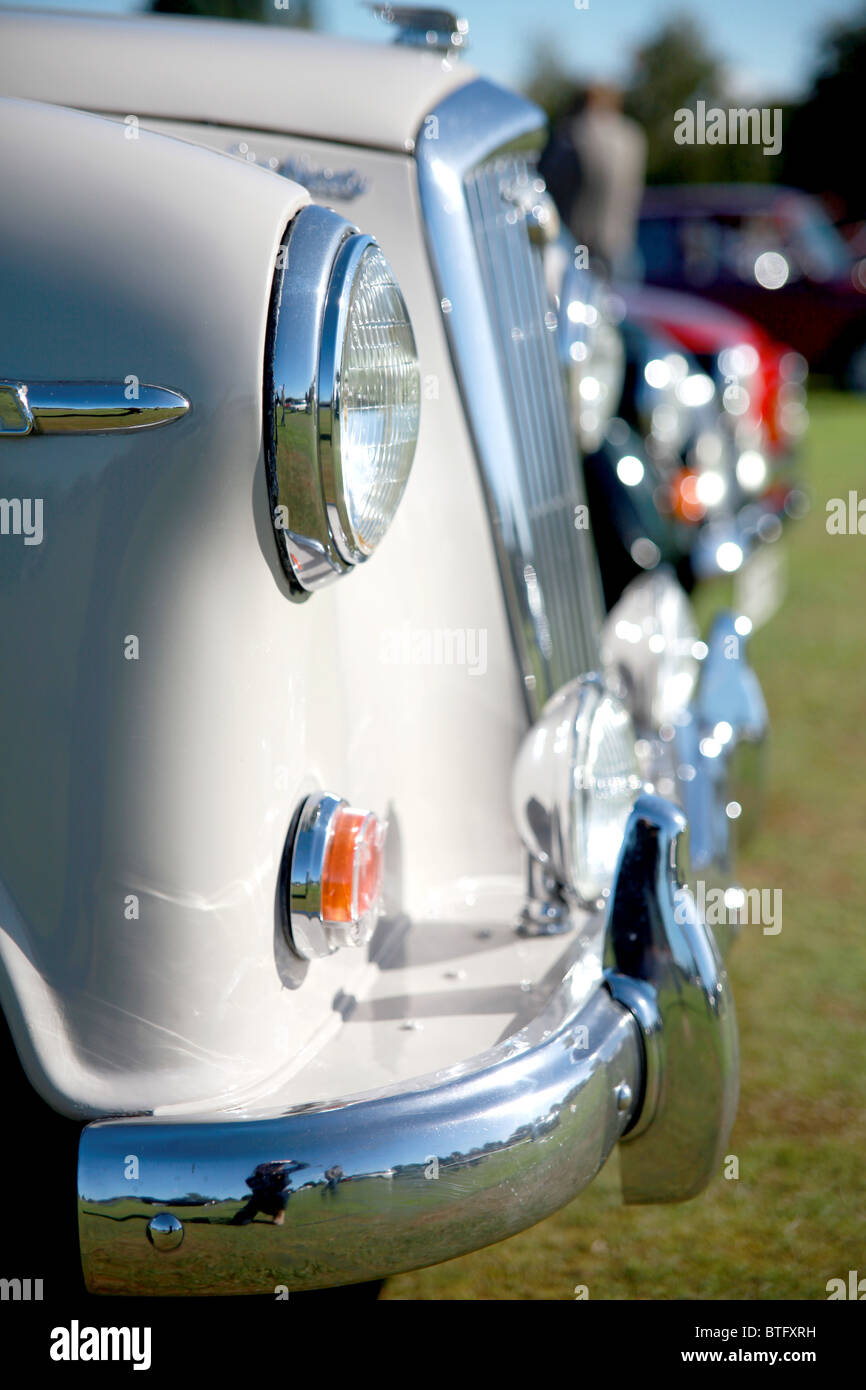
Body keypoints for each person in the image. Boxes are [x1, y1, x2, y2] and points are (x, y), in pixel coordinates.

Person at [542, 84, 647, 280]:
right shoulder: (633, 136)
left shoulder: (573, 134)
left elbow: (546, 183)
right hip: (622, 245)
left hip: (580, 246)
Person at [231, 1158, 308, 1226]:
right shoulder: (252, 1179)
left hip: (272, 1204)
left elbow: (305, 1165)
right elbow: (258, 1186)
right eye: (271, 1166)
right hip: (257, 1202)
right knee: (240, 1222)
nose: (275, 1167)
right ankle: (246, 1214)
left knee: (283, 1193)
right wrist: (269, 1175)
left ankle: (279, 1213)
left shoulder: (283, 1173)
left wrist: (291, 1161)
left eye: (278, 1166)